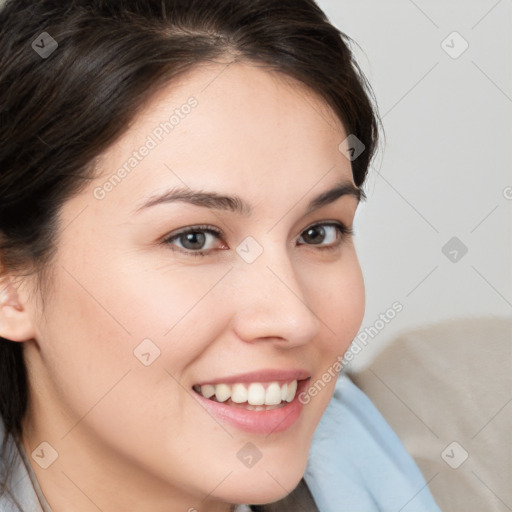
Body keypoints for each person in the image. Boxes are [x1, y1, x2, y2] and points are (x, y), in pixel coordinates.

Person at [0, 1, 441, 510]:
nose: (294, 318)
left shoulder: (393, 462)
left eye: (319, 232)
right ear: (12, 281)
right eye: (195, 238)